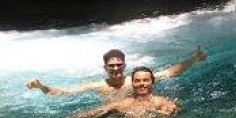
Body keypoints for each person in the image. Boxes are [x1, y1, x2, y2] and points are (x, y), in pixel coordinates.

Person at [27, 46, 206, 99]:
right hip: (114, 117)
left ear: (124, 66)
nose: (115, 68)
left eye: (119, 65)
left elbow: (171, 72)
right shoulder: (98, 86)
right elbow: (64, 92)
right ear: (105, 68)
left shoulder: (136, 81)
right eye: (111, 66)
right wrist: (41, 86)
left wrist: (194, 58)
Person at [51, 67, 180, 118]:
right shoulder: (124, 104)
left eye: (146, 80)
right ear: (132, 84)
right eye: (137, 81)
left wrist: (172, 111)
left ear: (152, 82)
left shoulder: (160, 101)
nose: (142, 84)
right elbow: (95, 112)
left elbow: (172, 108)